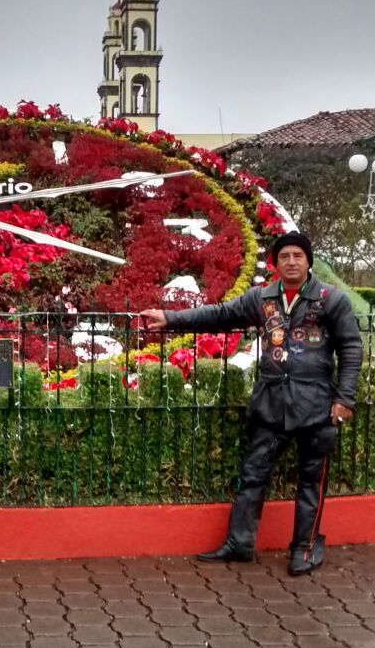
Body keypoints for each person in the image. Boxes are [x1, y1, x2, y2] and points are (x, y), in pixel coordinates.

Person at [140, 231, 363, 575]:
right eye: (284, 256)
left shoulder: (331, 299)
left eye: (297, 256)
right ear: (275, 263)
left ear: (308, 262)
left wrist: (344, 398)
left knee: (311, 480)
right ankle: (239, 544)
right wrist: (171, 318)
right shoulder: (262, 297)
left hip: (317, 406)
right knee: (253, 474)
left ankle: (304, 548)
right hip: (272, 405)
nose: (291, 261)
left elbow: (351, 348)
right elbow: (219, 315)